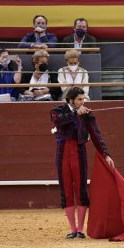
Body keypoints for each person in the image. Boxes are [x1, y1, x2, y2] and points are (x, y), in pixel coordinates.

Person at [51, 86, 115, 239]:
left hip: (79, 153)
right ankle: (72, 229)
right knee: (66, 190)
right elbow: (59, 122)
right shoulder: (58, 111)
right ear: (70, 100)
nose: (82, 102)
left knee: (80, 190)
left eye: (83, 99)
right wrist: (74, 114)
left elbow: (96, 135)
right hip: (62, 155)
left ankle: (80, 229)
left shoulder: (87, 115)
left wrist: (105, 154)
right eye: (79, 99)